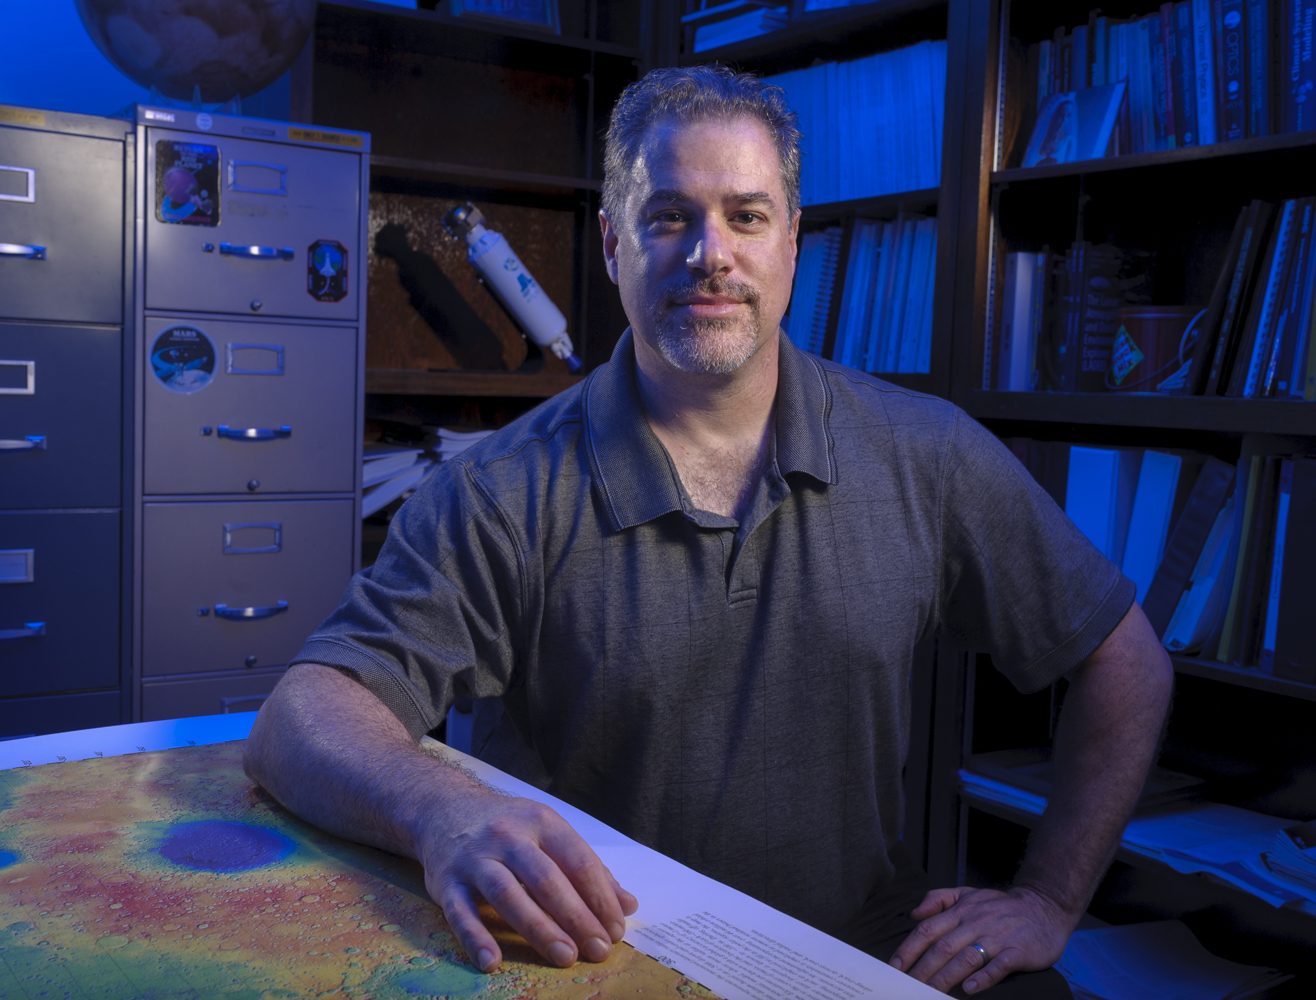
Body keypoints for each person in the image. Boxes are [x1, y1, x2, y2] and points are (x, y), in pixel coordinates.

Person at [243, 66, 1173, 997]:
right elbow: (301, 715)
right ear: (613, 246)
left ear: (794, 242)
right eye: (669, 217)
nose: (709, 254)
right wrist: (439, 810)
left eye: (747, 215)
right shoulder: (498, 491)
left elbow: (1125, 662)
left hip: (854, 950)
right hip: (594, 961)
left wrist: (1049, 899)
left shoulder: (926, 456)